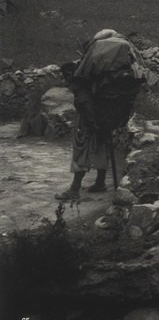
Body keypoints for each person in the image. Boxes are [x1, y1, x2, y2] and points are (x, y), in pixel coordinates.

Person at [56, 29, 147, 201]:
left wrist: (90, 121)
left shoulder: (85, 76)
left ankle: (74, 189)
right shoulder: (120, 72)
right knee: (103, 144)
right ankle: (100, 182)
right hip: (110, 115)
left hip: (90, 117)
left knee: (82, 148)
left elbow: (83, 101)